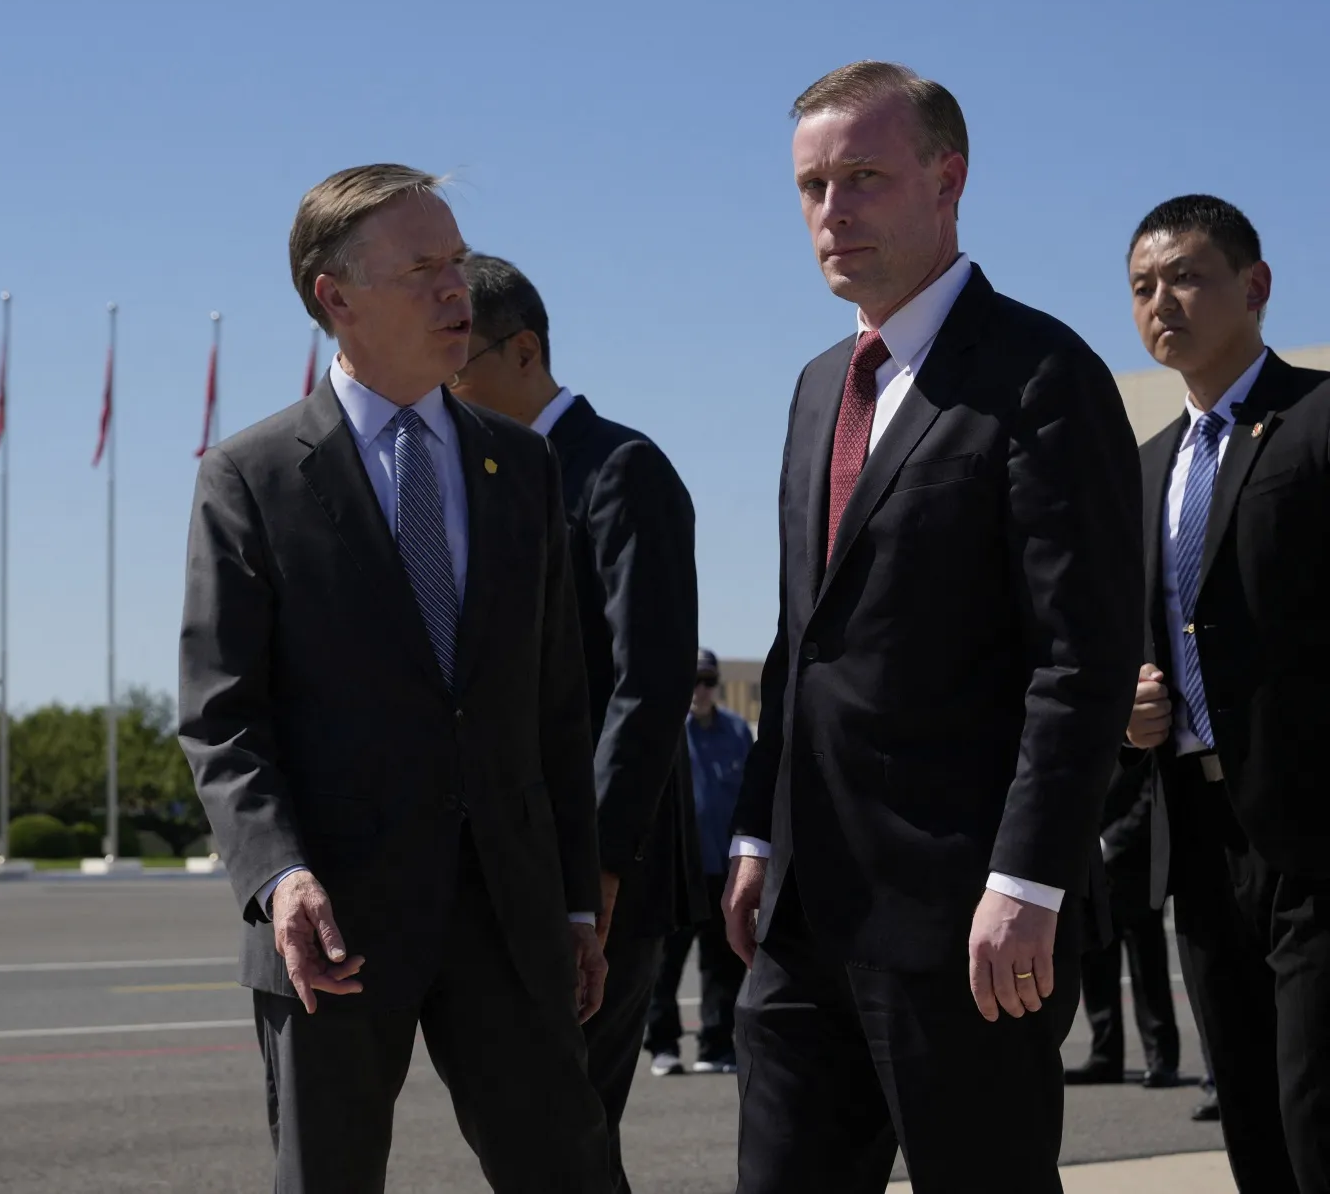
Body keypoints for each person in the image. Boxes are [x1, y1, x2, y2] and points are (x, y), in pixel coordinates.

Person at [722, 61, 1144, 1193]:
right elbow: (798, 639)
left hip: (968, 922)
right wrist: (758, 833)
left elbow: (1081, 657)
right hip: (805, 914)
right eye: (810, 185)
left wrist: (1028, 877)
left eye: (862, 176)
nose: (831, 210)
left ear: (947, 179)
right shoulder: (819, 386)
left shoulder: (1040, 375)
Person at [177, 164, 612, 1193]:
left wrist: (576, 905)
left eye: (455, 261)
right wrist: (278, 877)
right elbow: (219, 714)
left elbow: (555, 703)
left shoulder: (522, 468)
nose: (454, 287)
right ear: (335, 297)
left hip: (507, 917)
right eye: (420, 268)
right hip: (330, 927)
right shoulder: (250, 477)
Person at [448, 252, 699, 1194]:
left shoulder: (619, 471)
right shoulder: (478, 483)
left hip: (601, 872)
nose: (444, 386)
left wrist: (592, 869)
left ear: (525, 352)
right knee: (548, 1137)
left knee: (564, 1129)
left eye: (458, 361)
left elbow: (652, 681)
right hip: (510, 859)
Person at [1121, 194, 1330, 1193]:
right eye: (1141, 287)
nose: (1162, 300)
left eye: (1186, 276)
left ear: (1252, 287)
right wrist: (1131, 709)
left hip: (1313, 838)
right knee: (1248, 1114)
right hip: (1195, 843)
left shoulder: (1316, 420)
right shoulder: (1144, 469)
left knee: (1315, 1109)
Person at [648, 648, 752, 1076]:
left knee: (720, 963)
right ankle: (662, 1045)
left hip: (721, 871)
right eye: (693, 681)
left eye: (708, 681)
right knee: (664, 964)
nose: (700, 690)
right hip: (677, 871)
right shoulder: (665, 730)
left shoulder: (736, 731)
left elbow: (750, 796)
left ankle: (715, 1045)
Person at [1067, 753, 1180, 1087]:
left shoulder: (1139, 736)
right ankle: (1105, 1055)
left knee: (1149, 969)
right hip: (1091, 870)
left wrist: (1110, 842)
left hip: (1134, 868)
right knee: (1096, 967)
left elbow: (1151, 796)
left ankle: (1162, 1058)